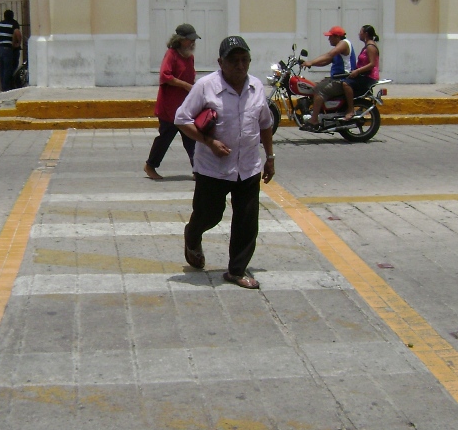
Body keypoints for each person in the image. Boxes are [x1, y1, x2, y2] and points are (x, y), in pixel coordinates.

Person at [175, 36, 276, 290]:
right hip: (213, 167)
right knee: (209, 215)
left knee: (247, 221)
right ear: (221, 62)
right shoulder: (205, 86)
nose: (240, 66)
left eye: (244, 60)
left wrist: (270, 158)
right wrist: (209, 142)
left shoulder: (256, 87)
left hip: (249, 166)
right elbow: (181, 118)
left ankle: (236, 270)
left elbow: (265, 124)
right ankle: (193, 234)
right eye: (233, 61)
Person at [145, 23, 200, 180]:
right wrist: (185, 85)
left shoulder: (189, 57)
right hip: (169, 108)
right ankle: (150, 166)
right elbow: (165, 76)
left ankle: (198, 170)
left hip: (185, 106)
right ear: (181, 40)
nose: (193, 43)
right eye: (190, 40)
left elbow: (190, 77)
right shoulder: (171, 54)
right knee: (165, 138)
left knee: (191, 138)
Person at [301, 26, 356, 124]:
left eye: (330, 36)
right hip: (337, 78)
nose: (328, 39)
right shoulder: (339, 47)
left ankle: (313, 120)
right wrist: (309, 63)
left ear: (337, 37)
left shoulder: (343, 44)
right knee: (312, 86)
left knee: (319, 90)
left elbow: (329, 55)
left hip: (343, 79)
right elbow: (326, 61)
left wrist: (311, 62)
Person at [0, 9, 22, 90]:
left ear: (4, 16)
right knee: (7, 69)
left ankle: (3, 87)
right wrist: (18, 43)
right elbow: (18, 33)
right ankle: (7, 88)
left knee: (1, 68)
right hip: (7, 48)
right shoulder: (13, 23)